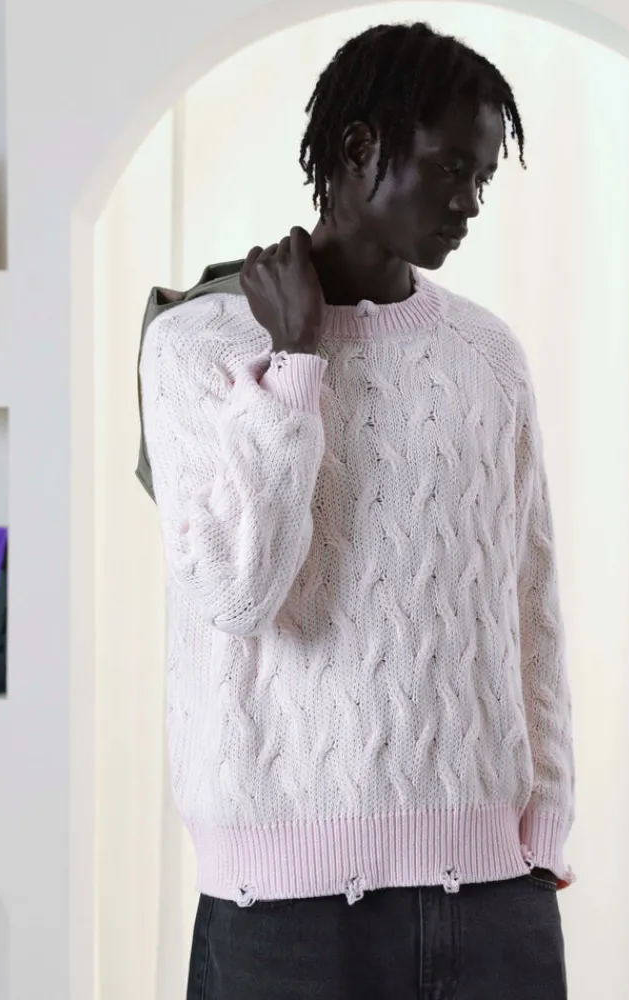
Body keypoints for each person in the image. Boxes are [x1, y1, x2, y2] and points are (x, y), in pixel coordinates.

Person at [139, 19, 576, 1000]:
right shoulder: (196, 343)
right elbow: (238, 594)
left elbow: (530, 601)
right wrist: (294, 363)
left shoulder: (486, 356)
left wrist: (544, 824)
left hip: (491, 895)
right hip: (283, 912)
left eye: (482, 178)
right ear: (357, 146)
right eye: (450, 168)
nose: (468, 202)